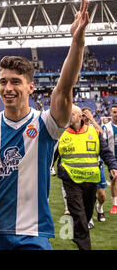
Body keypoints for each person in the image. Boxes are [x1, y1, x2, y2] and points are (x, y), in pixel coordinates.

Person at [0, 0, 90, 250]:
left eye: (15, 81)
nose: (8, 87)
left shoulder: (46, 123)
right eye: (3, 82)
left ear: (31, 87)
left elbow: (64, 88)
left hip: (33, 232)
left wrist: (77, 41)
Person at [55, 105, 117, 250]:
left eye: (70, 114)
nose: (67, 117)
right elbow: (51, 154)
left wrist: (113, 165)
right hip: (71, 180)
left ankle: (78, 233)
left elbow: (105, 151)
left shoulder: (94, 132)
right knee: (79, 215)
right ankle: (85, 246)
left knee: (86, 214)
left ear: (79, 116)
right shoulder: (60, 134)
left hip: (90, 180)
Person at [81, 107, 107, 224]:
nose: (86, 117)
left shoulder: (94, 128)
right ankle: (89, 217)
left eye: (88, 115)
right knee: (87, 193)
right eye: (84, 115)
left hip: (97, 165)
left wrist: (92, 119)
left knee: (101, 194)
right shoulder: (78, 129)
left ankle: (100, 207)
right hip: (83, 166)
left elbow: (102, 135)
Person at [102, 104, 117, 215]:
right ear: (111, 114)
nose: (116, 114)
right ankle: (115, 204)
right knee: (115, 180)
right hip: (113, 159)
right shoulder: (106, 128)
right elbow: (104, 145)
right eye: (114, 112)